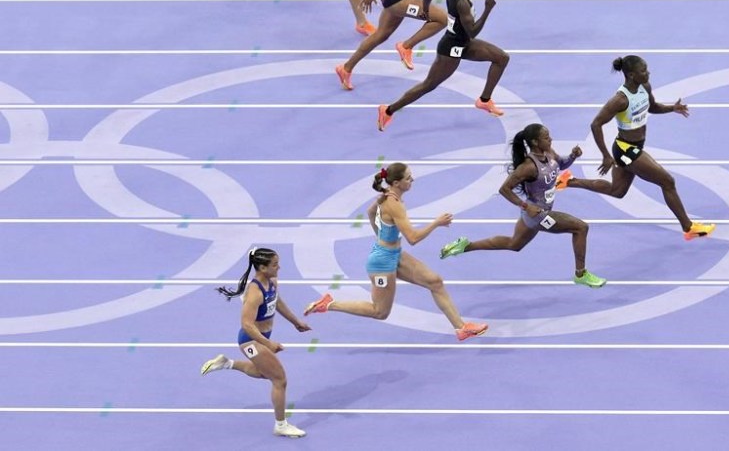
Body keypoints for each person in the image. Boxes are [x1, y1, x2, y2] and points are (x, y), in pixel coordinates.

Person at [303, 162, 488, 342]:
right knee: (380, 312)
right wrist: (436, 223)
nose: (412, 180)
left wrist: (382, 236)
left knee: (435, 281)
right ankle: (328, 304)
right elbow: (413, 238)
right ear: (397, 183)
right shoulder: (394, 203)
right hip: (382, 264)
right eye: (409, 178)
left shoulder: (388, 197)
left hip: (394, 254)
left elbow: (370, 212)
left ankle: (461, 328)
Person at [561, 55, 716, 240]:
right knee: (667, 182)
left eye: (647, 69)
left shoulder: (645, 87)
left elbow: (652, 107)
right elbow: (595, 124)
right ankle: (688, 227)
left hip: (633, 147)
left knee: (617, 191)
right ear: (632, 75)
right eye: (643, 71)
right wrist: (605, 156)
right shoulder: (619, 100)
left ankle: (569, 181)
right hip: (626, 150)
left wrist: (672, 108)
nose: (648, 73)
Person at [441, 124, 607, 288]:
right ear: (535, 142)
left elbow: (561, 165)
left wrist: (573, 156)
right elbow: (504, 189)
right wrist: (525, 206)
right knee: (580, 228)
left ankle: (465, 245)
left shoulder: (549, 153)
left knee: (514, 244)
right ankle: (581, 274)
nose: (551, 139)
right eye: (546, 137)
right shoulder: (527, 167)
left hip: (535, 213)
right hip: (538, 215)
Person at [376, 0, 509, 131]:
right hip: (451, 48)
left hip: (463, 43)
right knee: (428, 85)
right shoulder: (461, 3)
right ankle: (388, 110)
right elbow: (473, 31)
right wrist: (488, 9)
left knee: (501, 58)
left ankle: (484, 100)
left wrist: (425, 11)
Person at [200, 248, 311, 438]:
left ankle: (227, 363)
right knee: (279, 379)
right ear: (262, 267)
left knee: (263, 373)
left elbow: (277, 301)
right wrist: (268, 344)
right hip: (251, 340)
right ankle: (281, 425)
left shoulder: (272, 282)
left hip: (263, 337)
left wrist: (296, 322)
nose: (279, 267)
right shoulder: (254, 292)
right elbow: (247, 325)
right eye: (275, 265)